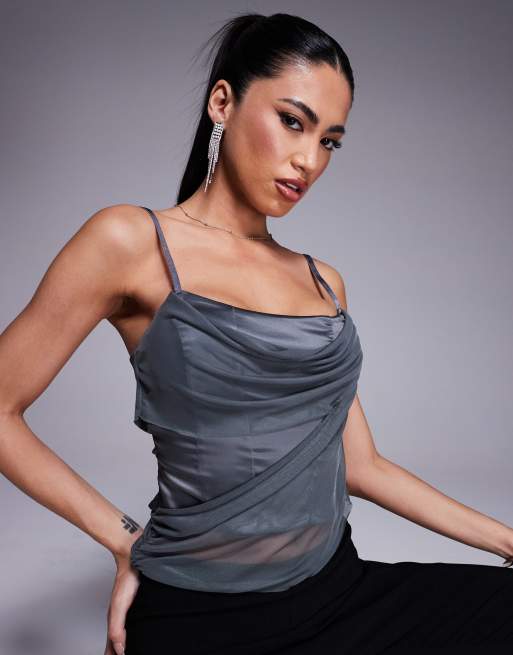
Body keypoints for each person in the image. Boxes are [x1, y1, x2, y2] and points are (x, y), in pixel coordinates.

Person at [0, 10, 512, 655]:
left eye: (329, 141)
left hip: (339, 595)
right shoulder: (130, 242)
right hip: (199, 617)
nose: (309, 160)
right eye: (293, 121)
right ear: (223, 102)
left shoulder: (322, 282)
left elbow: (363, 467)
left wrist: (506, 539)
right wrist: (124, 539)